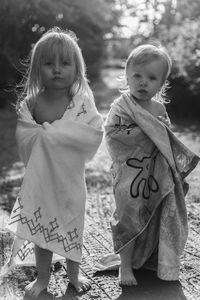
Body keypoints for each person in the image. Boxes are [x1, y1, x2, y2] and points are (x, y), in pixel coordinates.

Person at [3, 27, 103, 297]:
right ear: (37, 69)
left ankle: (74, 274)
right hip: (42, 180)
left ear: (77, 68)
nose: (57, 69)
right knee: (40, 229)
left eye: (65, 63)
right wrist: (47, 135)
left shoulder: (80, 102)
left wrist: (54, 133)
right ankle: (43, 279)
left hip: (70, 180)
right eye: (48, 63)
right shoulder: (32, 104)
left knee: (72, 226)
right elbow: (26, 137)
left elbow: (92, 132)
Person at [104, 44, 199, 286]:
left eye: (151, 78)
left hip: (155, 174)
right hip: (129, 175)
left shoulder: (159, 109)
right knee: (127, 217)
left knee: (157, 214)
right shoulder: (121, 106)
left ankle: (149, 260)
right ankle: (125, 267)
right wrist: (144, 132)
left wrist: (156, 134)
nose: (143, 82)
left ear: (162, 84)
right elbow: (112, 135)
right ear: (127, 75)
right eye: (137, 75)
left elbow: (165, 140)